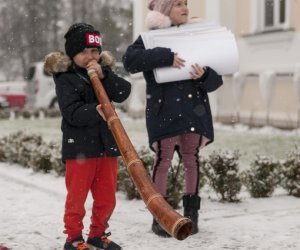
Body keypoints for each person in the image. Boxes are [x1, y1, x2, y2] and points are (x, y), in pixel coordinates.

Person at [123, 0, 223, 237]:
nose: (184, 7)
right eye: (177, 3)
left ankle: (192, 214)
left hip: (192, 110)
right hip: (164, 111)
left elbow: (216, 80)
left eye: (186, 3)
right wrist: (165, 56)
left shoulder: (196, 37)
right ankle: (161, 215)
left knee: (191, 158)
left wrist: (205, 74)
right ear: (166, 10)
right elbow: (130, 60)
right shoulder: (150, 39)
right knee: (163, 159)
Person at [47, 23, 131, 250]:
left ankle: (98, 234)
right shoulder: (66, 78)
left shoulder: (104, 73)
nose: (90, 56)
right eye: (83, 52)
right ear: (73, 54)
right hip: (79, 148)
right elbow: (71, 112)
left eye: (94, 51)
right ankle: (73, 238)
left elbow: (123, 92)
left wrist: (105, 76)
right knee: (77, 198)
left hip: (106, 145)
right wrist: (94, 111)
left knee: (106, 197)